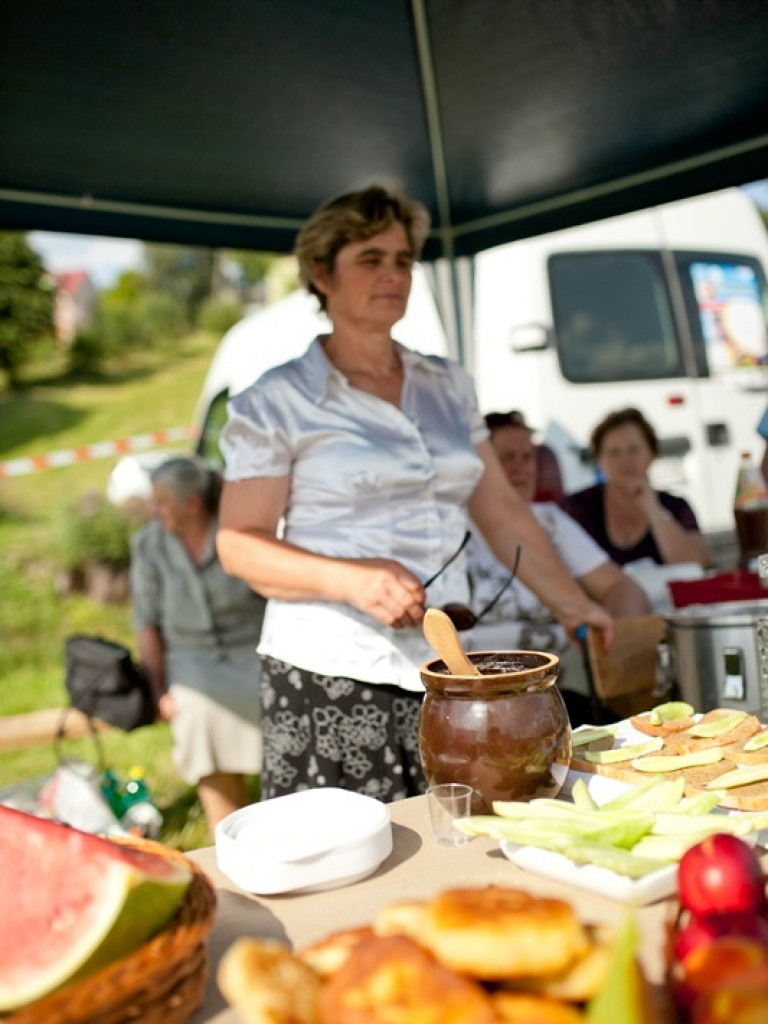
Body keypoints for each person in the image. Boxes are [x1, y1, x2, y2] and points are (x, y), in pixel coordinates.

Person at [216, 184, 611, 804]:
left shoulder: (447, 384)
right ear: (321, 273)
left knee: (464, 846)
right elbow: (240, 547)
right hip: (333, 674)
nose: (393, 275)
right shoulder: (275, 400)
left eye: (402, 260)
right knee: (354, 875)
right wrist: (354, 580)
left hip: (450, 669)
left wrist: (574, 604)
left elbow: (502, 509)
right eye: (370, 259)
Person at [466, 411, 650, 723]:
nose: (521, 468)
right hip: (476, 691)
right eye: (506, 458)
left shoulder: (550, 519)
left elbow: (620, 586)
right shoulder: (451, 529)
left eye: (528, 457)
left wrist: (617, 641)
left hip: (559, 687)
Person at [130, 456, 265, 833]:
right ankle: (227, 830)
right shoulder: (148, 545)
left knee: (276, 697)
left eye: (162, 503)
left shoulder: (237, 534)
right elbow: (146, 623)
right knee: (197, 708)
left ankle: (279, 816)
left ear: (192, 503)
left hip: (251, 645)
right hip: (191, 656)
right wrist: (159, 689)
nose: (154, 512)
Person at [560, 407, 710, 569]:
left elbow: (697, 564)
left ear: (652, 453)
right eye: (614, 453)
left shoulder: (676, 507)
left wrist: (654, 510)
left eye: (634, 450)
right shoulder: (576, 508)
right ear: (599, 459)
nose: (625, 461)